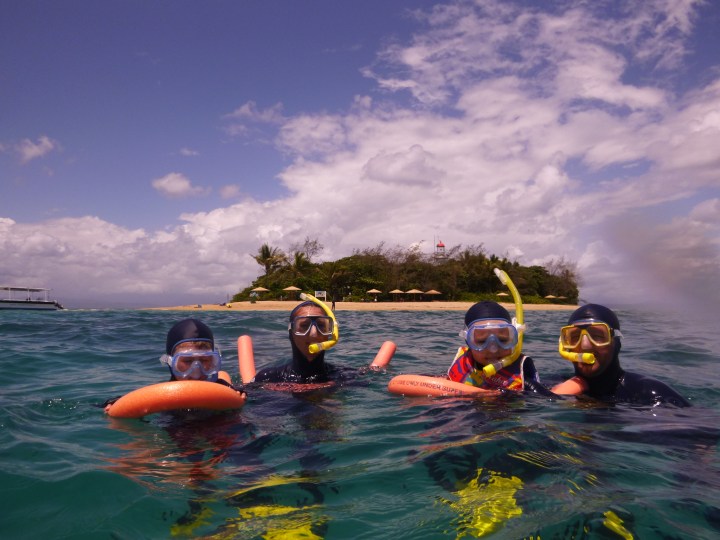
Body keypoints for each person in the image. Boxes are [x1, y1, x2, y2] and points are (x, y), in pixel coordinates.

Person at [552, 304, 691, 407]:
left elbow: (701, 438)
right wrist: (554, 396)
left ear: (617, 344)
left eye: (598, 336)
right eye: (574, 337)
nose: (585, 346)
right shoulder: (554, 384)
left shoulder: (648, 392)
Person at [447, 301, 551, 395]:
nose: (494, 349)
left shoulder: (524, 379)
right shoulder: (463, 365)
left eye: (502, 340)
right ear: (468, 341)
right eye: (482, 341)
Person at [252, 298, 342, 384]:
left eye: (321, 325)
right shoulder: (268, 379)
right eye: (304, 325)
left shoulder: (345, 377)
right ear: (291, 333)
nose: (314, 334)